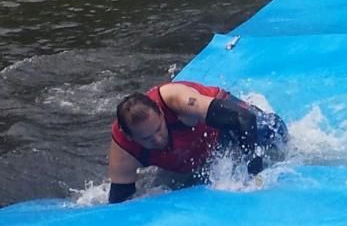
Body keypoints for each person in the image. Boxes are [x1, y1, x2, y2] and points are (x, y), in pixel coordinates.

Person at [106, 80, 288, 204]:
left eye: (159, 128)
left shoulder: (178, 102)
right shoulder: (124, 152)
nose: (158, 139)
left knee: (274, 130)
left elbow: (244, 119)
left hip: (221, 127)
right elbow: (119, 203)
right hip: (189, 154)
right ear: (130, 137)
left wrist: (253, 175)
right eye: (146, 138)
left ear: (161, 114)